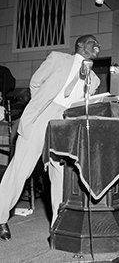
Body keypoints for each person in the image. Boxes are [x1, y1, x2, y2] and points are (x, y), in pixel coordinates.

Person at [0, 34, 101, 241]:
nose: (97, 46)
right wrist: (42, 106)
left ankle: (57, 224)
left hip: (65, 122)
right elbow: (36, 82)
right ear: (80, 45)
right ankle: (0, 217)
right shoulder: (57, 58)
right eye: (93, 42)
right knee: (20, 169)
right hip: (43, 114)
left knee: (59, 175)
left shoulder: (95, 80)